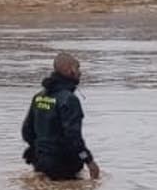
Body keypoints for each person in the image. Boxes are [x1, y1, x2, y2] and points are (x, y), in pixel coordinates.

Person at [22, 52, 101, 181]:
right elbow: (73, 137)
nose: (80, 72)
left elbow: (27, 131)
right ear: (69, 70)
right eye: (77, 68)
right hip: (63, 166)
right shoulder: (69, 100)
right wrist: (89, 161)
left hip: (40, 162)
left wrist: (39, 151)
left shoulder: (39, 96)